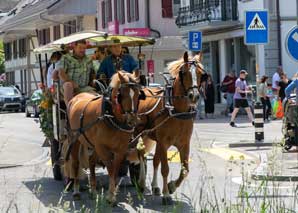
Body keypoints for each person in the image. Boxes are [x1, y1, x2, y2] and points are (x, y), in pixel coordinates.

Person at [57, 40, 95, 106]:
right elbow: (61, 73)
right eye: (80, 47)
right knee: (68, 85)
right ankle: (70, 109)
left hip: (84, 87)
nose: (82, 50)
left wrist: (93, 81)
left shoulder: (88, 59)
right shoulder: (66, 58)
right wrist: (71, 82)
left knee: (97, 98)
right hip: (68, 87)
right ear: (74, 47)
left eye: (84, 48)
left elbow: (92, 73)